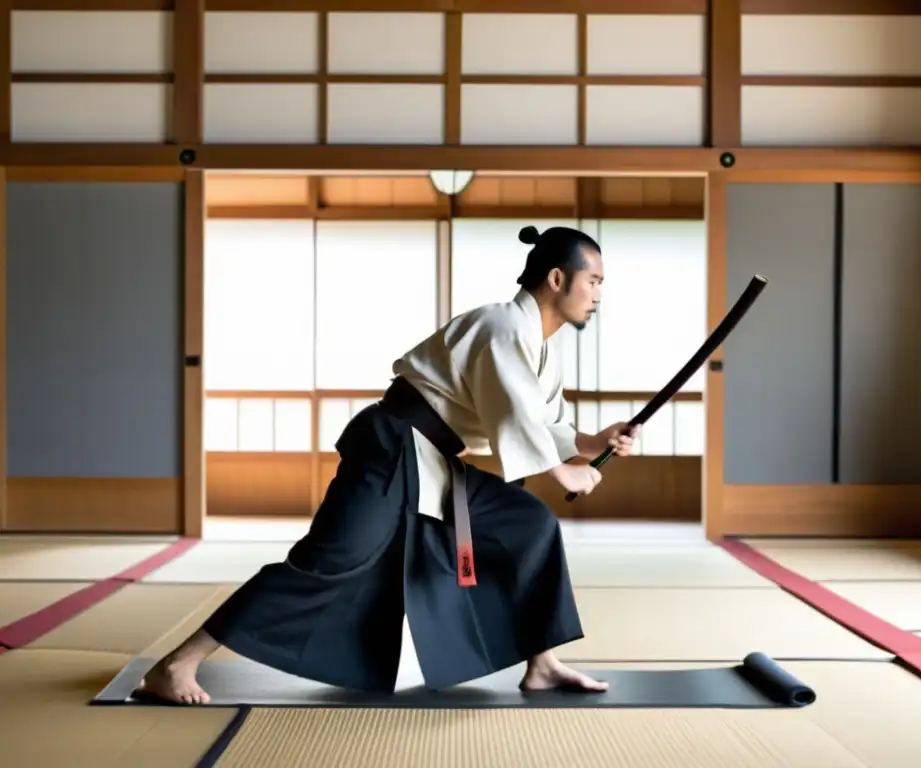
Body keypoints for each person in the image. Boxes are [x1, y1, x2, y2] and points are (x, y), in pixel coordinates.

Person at [140, 224, 639, 705]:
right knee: (329, 560)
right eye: (593, 281)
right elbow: (513, 413)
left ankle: (542, 662)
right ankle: (178, 663)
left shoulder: (538, 346)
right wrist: (562, 472)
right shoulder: (503, 325)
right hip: (392, 445)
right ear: (558, 279)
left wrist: (594, 440)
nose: (598, 294)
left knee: (529, 524)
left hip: (435, 462)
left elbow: (541, 418)